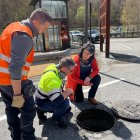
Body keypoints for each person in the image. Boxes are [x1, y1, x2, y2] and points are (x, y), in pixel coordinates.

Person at [0, 8, 52, 140]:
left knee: (11, 109)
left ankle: (16, 137)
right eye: (44, 27)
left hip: (3, 80)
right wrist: (18, 94)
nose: (43, 31)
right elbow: (15, 68)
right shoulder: (24, 36)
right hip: (14, 81)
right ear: (36, 22)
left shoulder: (14, 27)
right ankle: (28, 138)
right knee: (28, 111)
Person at [35, 57, 76, 128]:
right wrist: (69, 91)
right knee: (64, 104)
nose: (71, 73)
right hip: (42, 101)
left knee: (67, 107)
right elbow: (57, 101)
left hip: (43, 97)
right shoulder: (53, 79)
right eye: (71, 71)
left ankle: (41, 110)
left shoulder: (54, 67)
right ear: (64, 68)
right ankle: (56, 119)